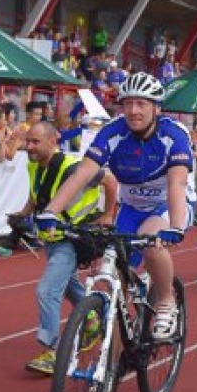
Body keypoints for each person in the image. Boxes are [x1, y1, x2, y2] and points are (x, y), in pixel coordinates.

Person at [38, 72, 192, 341]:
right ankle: (110, 364)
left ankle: (166, 300)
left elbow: (177, 184)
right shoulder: (113, 131)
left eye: (142, 104)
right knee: (114, 275)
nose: (133, 110)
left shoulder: (173, 134)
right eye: (128, 103)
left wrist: (177, 227)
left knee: (151, 241)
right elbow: (83, 174)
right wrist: (50, 211)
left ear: (157, 108)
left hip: (167, 205)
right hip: (131, 208)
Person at [18, 122, 117, 374]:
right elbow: (36, 194)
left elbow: (109, 180)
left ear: (53, 141)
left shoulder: (73, 167)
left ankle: (52, 350)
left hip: (72, 240)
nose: (29, 147)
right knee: (70, 285)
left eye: (35, 142)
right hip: (51, 239)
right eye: (28, 141)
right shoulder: (34, 166)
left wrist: (108, 215)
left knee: (47, 290)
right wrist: (23, 214)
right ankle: (94, 318)